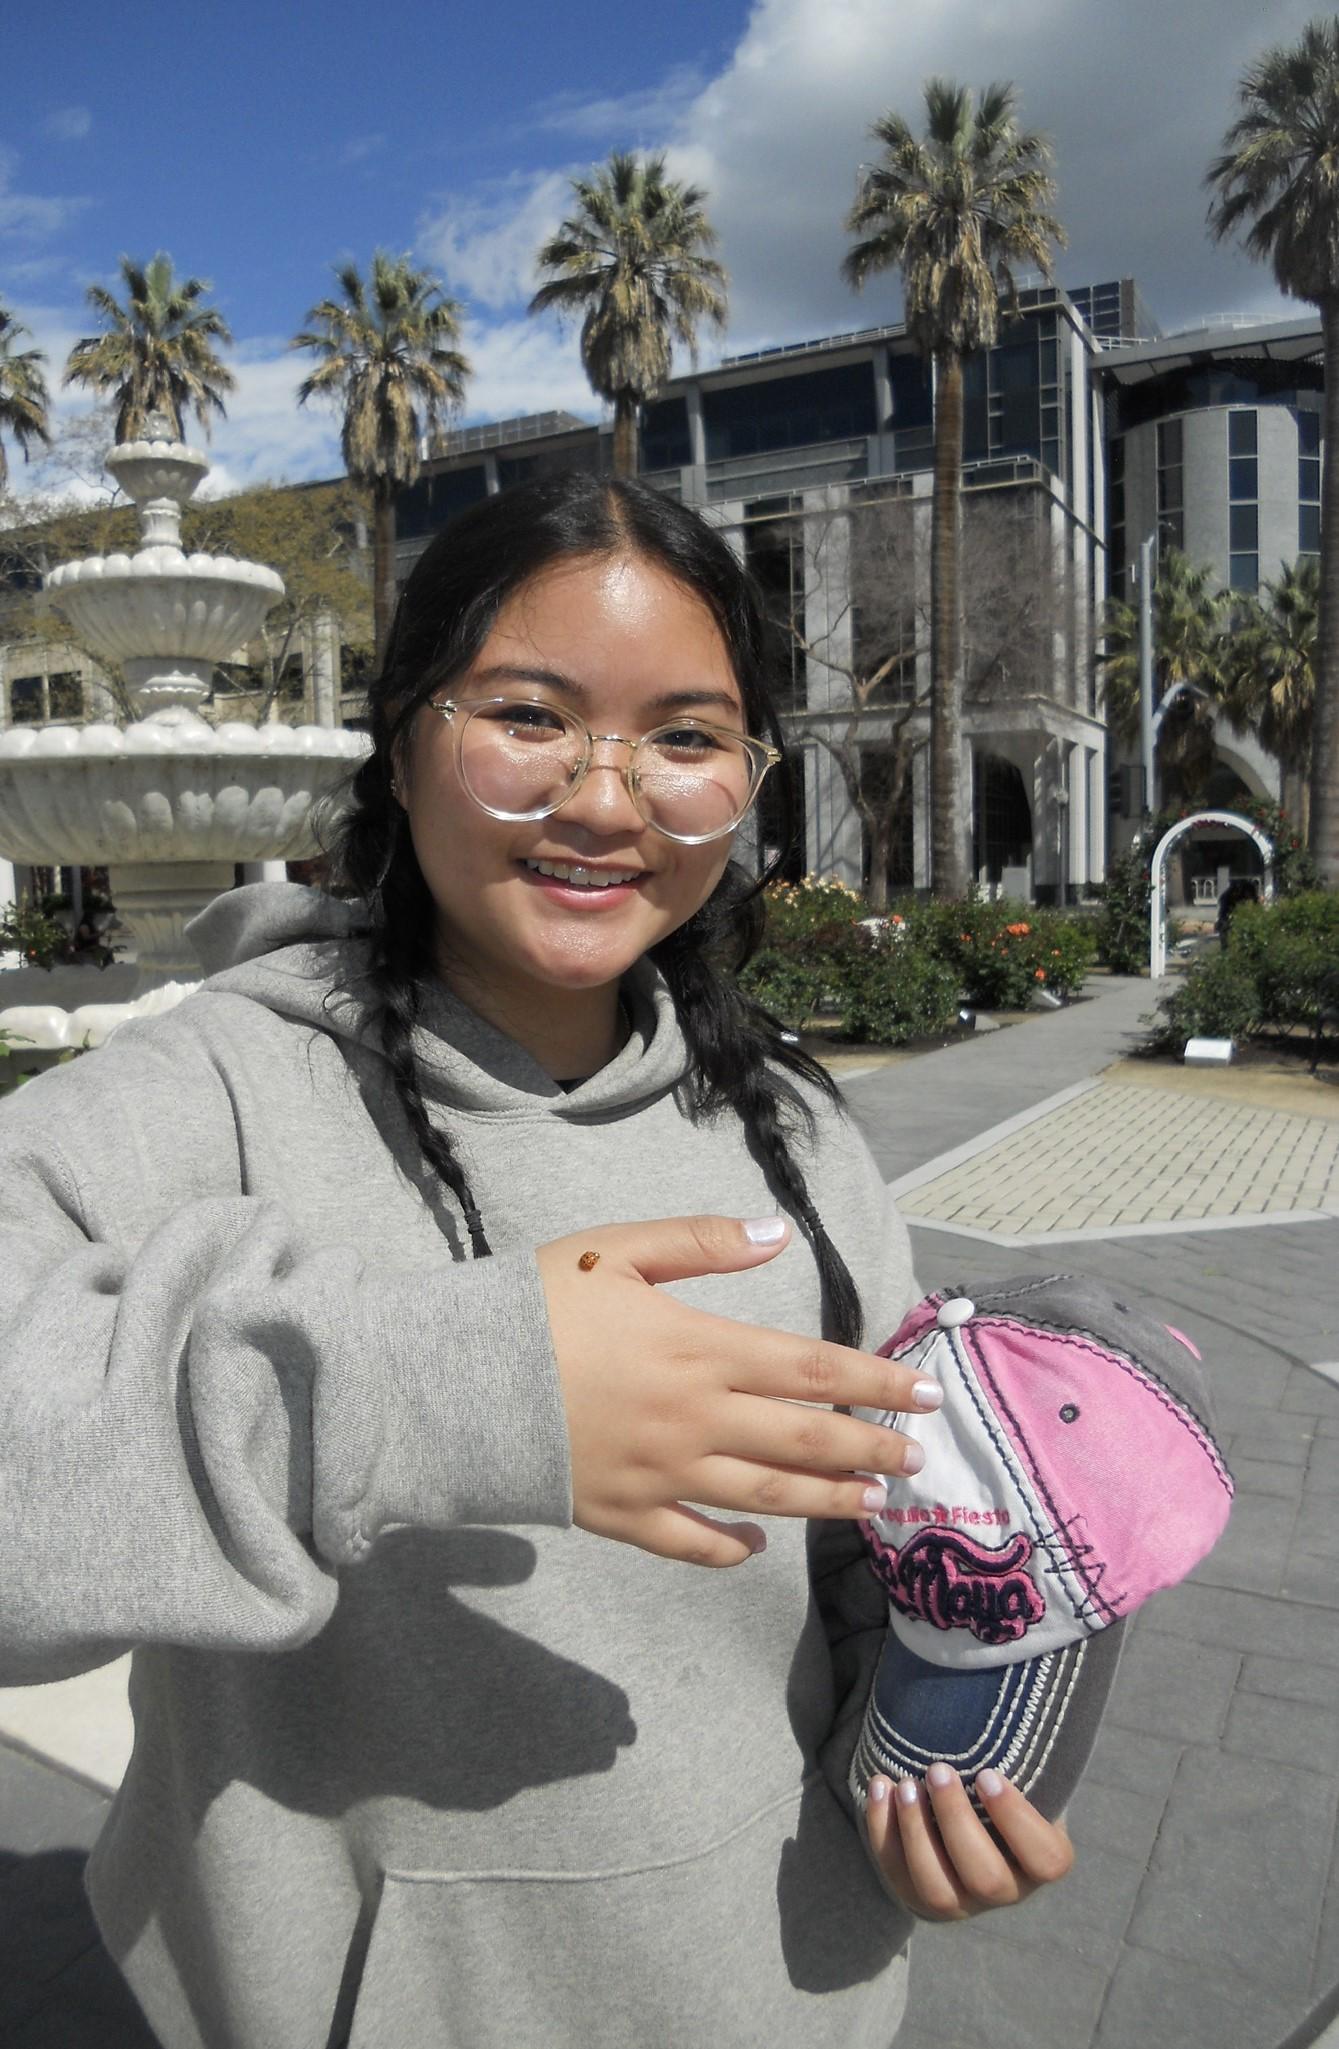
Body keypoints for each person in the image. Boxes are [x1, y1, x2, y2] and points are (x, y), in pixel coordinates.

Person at [0, 472, 1071, 2049]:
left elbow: (869, 1537)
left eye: (687, 738)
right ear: (408, 728)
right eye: (530, 714)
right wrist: (447, 1387)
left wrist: (935, 1755)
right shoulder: (210, 1088)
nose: (605, 795)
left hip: (777, 1981)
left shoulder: (799, 1131)